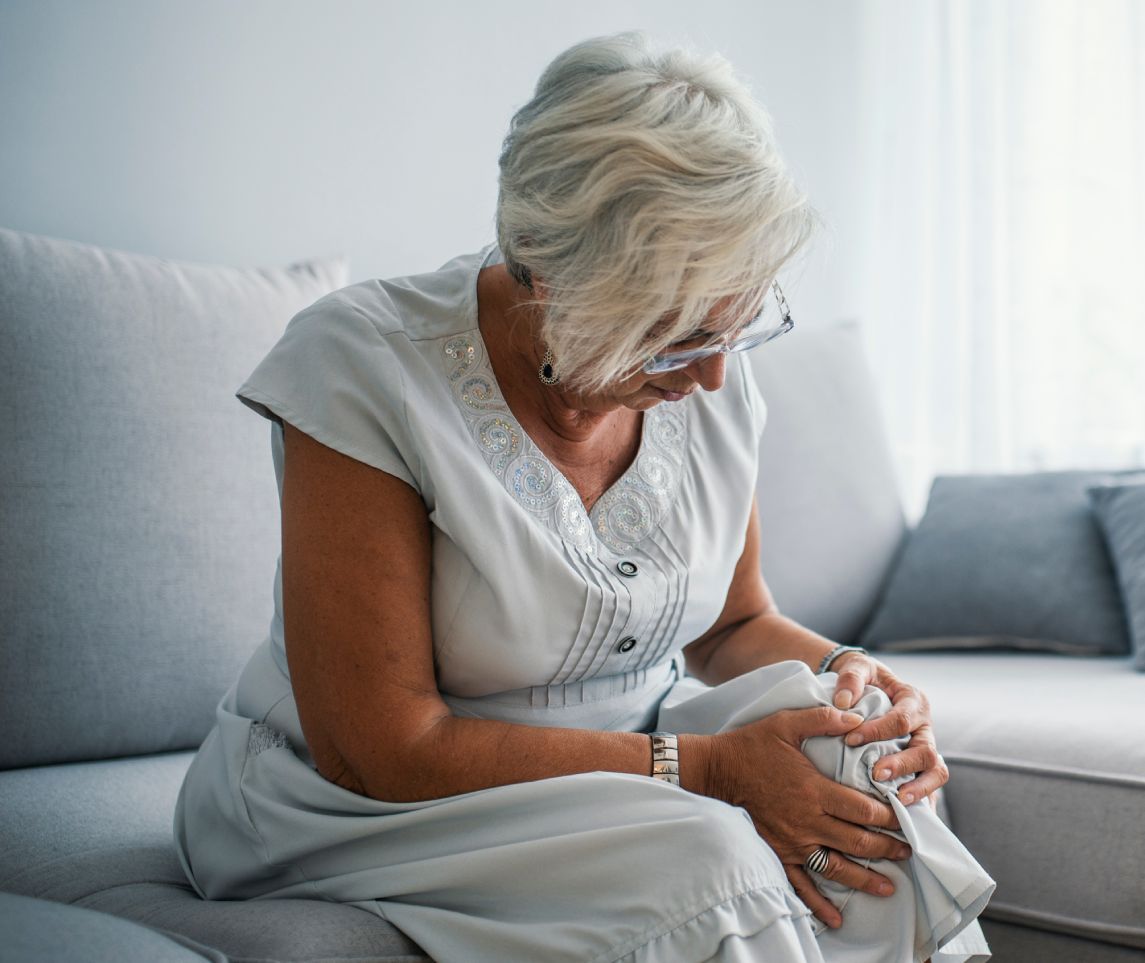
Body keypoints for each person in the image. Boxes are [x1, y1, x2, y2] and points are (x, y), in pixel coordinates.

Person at [174, 31, 993, 962]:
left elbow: (731, 627)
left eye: (737, 322)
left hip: (631, 760)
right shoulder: (363, 364)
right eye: (675, 335)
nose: (717, 377)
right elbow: (382, 747)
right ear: (548, 274)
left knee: (857, 783)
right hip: (357, 799)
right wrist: (708, 770)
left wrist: (862, 678)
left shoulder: (706, 374)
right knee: (709, 857)